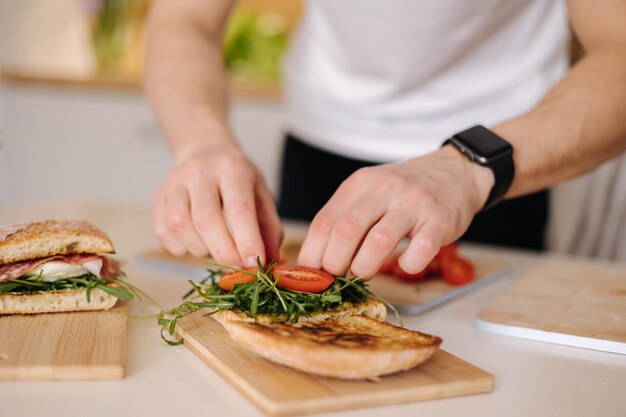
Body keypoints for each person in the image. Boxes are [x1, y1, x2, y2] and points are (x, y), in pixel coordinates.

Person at [144, 0, 626, 279]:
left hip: (491, 169)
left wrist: (467, 165)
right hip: (318, 153)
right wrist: (200, 142)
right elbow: (183, 19)